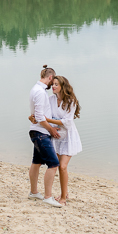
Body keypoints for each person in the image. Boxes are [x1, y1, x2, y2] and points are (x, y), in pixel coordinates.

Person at [29, 75, 81, 206]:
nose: (53, 86)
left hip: (68, 137)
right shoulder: (50, 99)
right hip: (55, 137)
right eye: (53, 84)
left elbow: (67, 122)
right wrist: (34, 118)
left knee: (62, 167)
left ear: (63, 87)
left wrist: (47, 120)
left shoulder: (71, 102)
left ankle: (63, 197)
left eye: (56, 84)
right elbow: (40, 114)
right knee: (56, 166)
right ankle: (64, 192)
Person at [28, 65, 63, 208]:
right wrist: (52, 130)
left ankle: (34, 192)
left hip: (36, 131)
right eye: (52, 81)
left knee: (36, 162)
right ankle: (48, 196)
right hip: (41, 133)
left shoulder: (35, 90)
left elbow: (36, 115)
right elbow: (39, 117)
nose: (52, 84)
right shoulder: (41, 92)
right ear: (50, 77)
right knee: (54, 163)